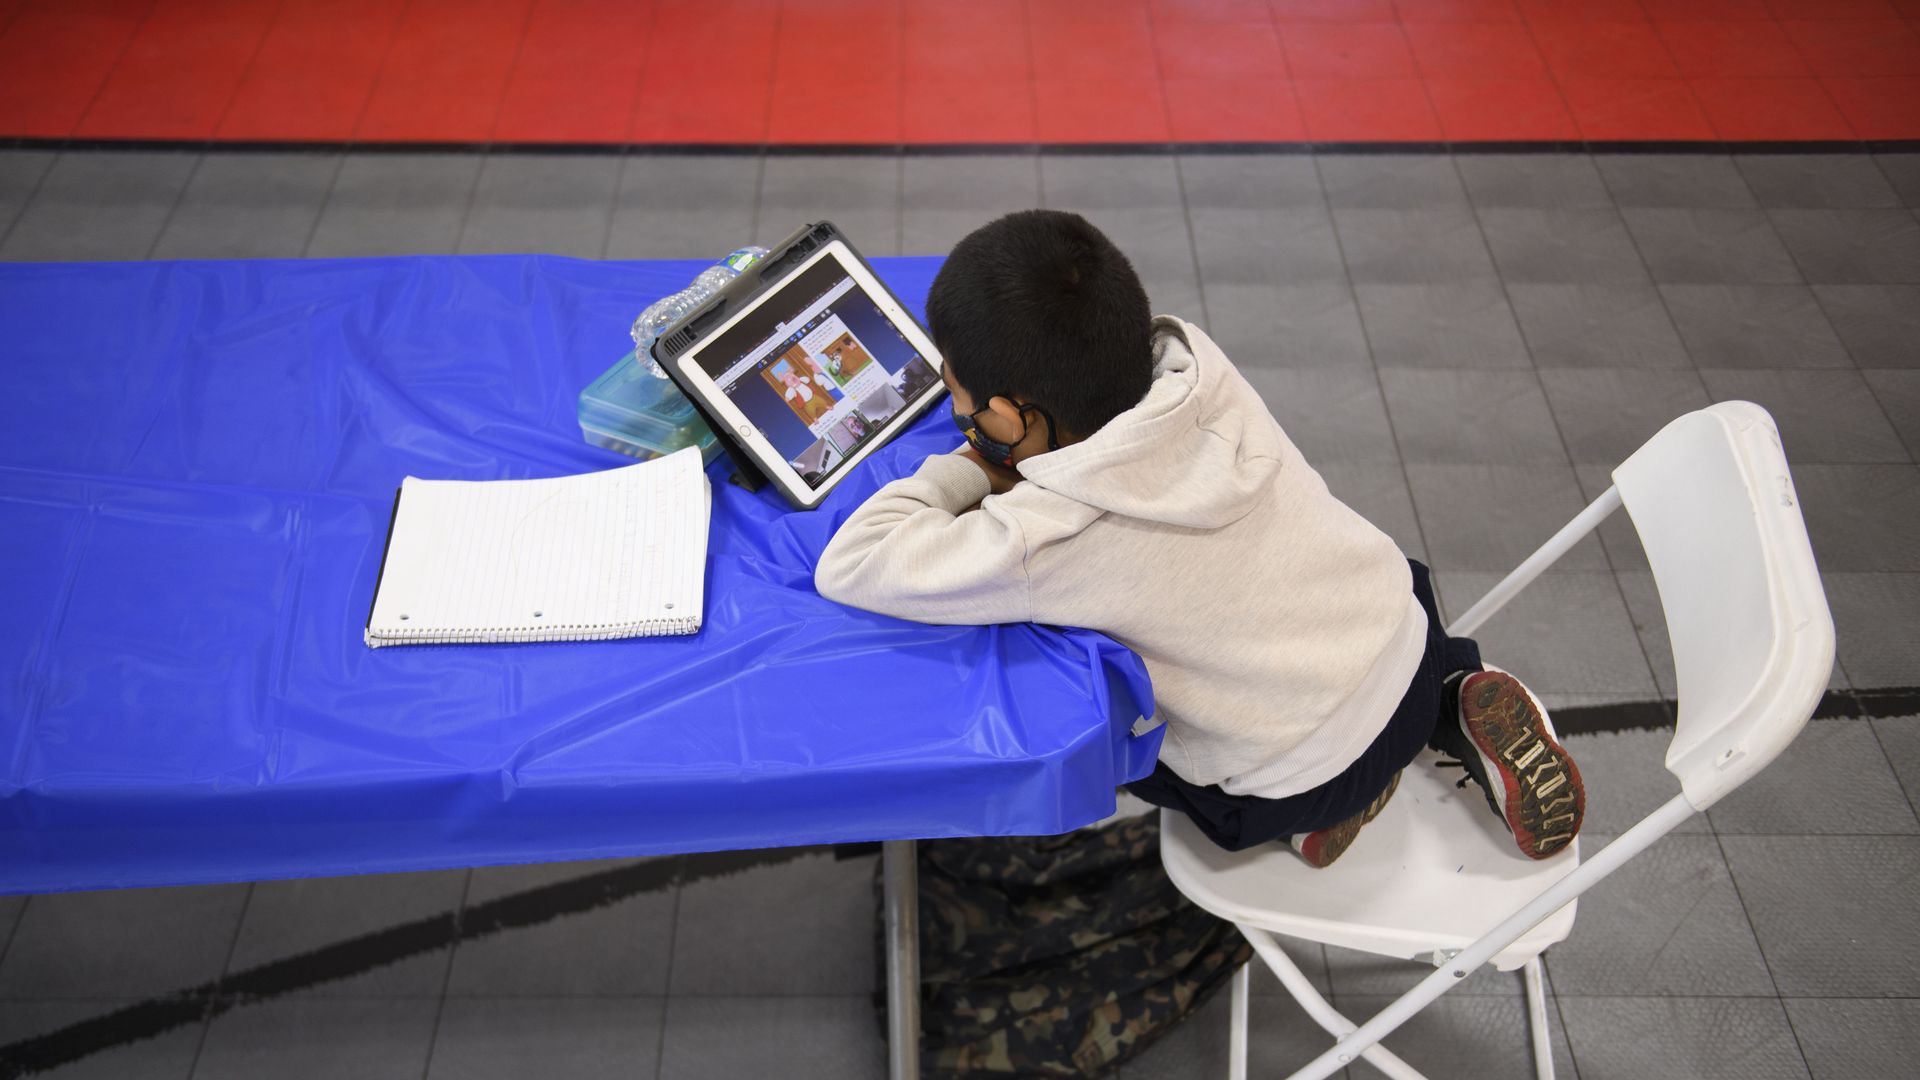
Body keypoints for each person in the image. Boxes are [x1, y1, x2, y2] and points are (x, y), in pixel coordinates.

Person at [815, 210, 1583, 867]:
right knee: (1362, 582)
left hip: (1300, 772)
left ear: (1015, 416)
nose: (952, 399)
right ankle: (1454, 694)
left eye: (957, 388)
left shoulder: (1045, 536)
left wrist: (978, 465)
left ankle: (1327, 815)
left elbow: (852, 564)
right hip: (1404, 629)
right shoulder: (1195, 368)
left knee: (1148, 761)